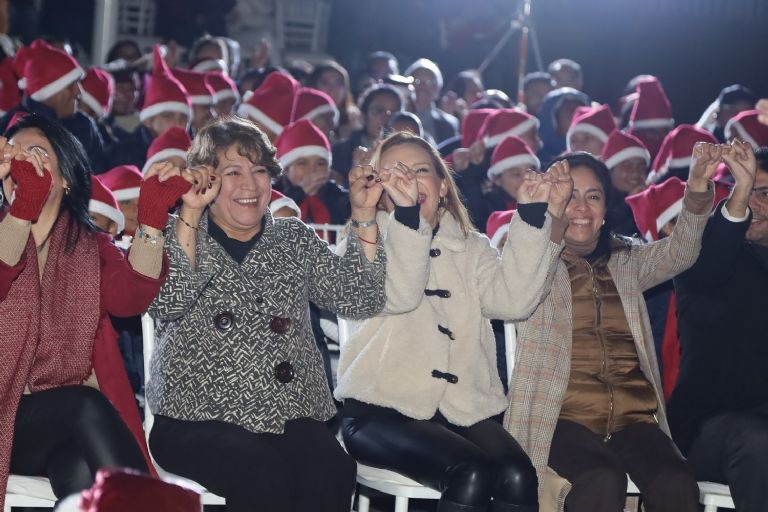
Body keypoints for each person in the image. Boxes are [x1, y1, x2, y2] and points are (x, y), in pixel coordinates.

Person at [145, 116, 401, 512]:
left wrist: (364, 214)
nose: (250, 185)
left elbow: (359, 298)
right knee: (262, 473)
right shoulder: (177, 234)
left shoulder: (293, 237)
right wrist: (190, 216)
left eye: (260, 171)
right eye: (232, 172)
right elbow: (168, 303)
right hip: (193, 416)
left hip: (288, 411)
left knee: (332, 468)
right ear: (205, 180)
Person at [337, 131, 573, 512]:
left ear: (443, 186)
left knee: (519, 475)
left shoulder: (471, 245)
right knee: (471, 471)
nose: (409, 180)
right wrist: (408, 218)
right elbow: (399, 294)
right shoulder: (364, 240)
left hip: (460, 410)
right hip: (379, 410)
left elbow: (513, 302)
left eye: (420, 170)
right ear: (378, 189)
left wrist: (530, 216)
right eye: (395, 172)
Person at [503, 148, 719, 512]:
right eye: (571, 196)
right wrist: (550, 218)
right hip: (559, 416)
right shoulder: (534, 261)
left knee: (676, 478)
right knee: (601, 477)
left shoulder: (626, 260)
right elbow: (521, 279)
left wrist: (696, 188)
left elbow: (681, 252)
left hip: (633, 417)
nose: (582, 208)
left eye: (593, 196)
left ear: (605, 208)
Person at [0, 114, 191, 509]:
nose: (21, 163)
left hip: (62, 429)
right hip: (10, 416)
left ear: (66, 177)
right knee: (81, 404)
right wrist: (21, 213)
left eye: (36, 153)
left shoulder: (90, 247)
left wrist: (152, 220)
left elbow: (130, 298)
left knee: (81, 473)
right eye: (12, 154)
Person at [668, 143, 768, 512]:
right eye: (742, 189)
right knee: (759, 443)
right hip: (710, 426)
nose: (753, 202)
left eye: (765, 193)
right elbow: (707, 264)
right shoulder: (703, 252)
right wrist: (738, 198)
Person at [0, 40, 107, 172]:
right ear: (48, 92)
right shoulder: (8, 127)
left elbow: (100, 180)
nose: (79, 92)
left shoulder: (85, 126)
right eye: (71, 85)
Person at [331, 83, 403, 182]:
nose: (386, 118)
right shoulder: (341, 152)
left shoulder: (406, 153)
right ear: (364, 114)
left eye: (393, 113)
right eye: (378, 111)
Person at [404, 58, 458, 145]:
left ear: (438, 89)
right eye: (417, 81)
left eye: (429, 82)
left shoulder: (449, 124)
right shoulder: (396, 116)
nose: (423, 87)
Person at [307, 61, 361, 141]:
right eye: (325, 83)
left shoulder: (354, 120)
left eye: (338, 83)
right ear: (314, 85)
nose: (332, 89)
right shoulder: (305, 117)